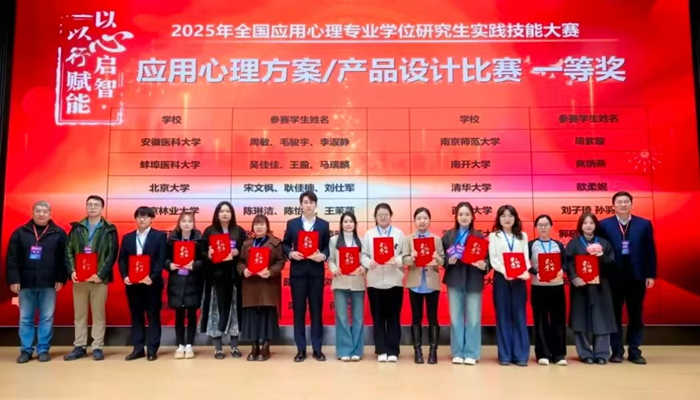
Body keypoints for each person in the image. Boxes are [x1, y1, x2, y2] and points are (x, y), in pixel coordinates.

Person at [598, 191, 657, 365]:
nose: (623, 205)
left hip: (637, 276)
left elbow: (650, 250)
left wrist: (650, 274)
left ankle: (634, 351)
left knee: (636, 314)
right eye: (619, 202)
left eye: (626, 201)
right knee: (614, 314)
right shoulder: (604, 225)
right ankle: (616, 351)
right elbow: (600, 251)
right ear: (613, 205)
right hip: (613, 276)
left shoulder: (644, 224)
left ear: (631, 204)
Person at [6, 201, 67, 364]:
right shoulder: (20, 232)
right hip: (25, 283)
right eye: (38, 211)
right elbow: (12, 258)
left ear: (50, 214)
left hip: (49, 283)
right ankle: (26, 350)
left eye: (44, 211)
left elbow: (63, 259)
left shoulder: (59, 233)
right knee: (25, 318)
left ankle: (43, 349)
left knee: (46, 318)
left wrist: (61, 278)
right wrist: (14, 279)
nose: (41, 214)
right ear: (32, 212)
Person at [64, 195, 119, 362]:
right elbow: (68, 250)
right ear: (86, 207)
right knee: (79, 314)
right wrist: (72, 271)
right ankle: (79, 346)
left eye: (96, 205)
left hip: (99, 280)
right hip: (80, 279)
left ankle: (97, 347)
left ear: (102, 208)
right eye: (89, 205)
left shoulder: (109, 229)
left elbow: (112, 254)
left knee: (98, 314)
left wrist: (100, 274)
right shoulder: (76, 228)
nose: (92, 207)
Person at [282, 191, 331, 362]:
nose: (308, 205)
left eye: (311, 202)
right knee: (299, 311)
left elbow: (327, 246)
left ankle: (317, 349)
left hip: (316, 272)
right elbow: (285, 244)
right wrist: (291, 254)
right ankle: (301, 349)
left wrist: (323, 255)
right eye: (305, 202)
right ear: (300, 204)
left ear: (315, 205)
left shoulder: (323, 225)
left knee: (317, 310)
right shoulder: (293, 224)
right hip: (298, 273)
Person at [565, 212, 617, 365]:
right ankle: (585, 353)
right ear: (580, 226)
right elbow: (568, 263)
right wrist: (575, 278)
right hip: (580, 287)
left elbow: (612, 265)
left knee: (602, 319)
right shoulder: (574, 243)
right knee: (580, 319)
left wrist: (602, 256)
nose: (588, 226)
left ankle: (601, 354)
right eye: (585, 223)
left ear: (596, 225)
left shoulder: (604, 243)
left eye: (591, 223)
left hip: (601, 286)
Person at [441, 201, 489, 365]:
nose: (464, 217)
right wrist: (448, 261)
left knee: (473, 319)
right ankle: (457, 352)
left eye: (467, 214)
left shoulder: (479, 236)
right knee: (455, 318)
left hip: (474, 280)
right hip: (454, 280)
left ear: (473, 217)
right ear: (456, 217)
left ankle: (472, 353)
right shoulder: (449, 236)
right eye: (460, 214)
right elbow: (441, 257)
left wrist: (484, 265)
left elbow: (487, 258)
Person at [117, 206, 166, 361]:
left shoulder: (159, 236)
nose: (142, 219)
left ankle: (152, 349)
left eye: (145, 216)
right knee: (136, 316)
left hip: (152, 284)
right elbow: (122, 260)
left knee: (153, 316)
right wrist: (125, 276)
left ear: (152, 219)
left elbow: (161, 259)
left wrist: (152, 276)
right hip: (133, 285)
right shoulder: (128, 237)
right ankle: (138, 349)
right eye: (139, 216)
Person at [200, 201, 247, 359]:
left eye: (228, 211)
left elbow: (247, 252)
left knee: (234, 310)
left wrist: (238, 252)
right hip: (215, 278)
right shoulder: (209, 231)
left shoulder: (239, 231)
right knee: (215, 311)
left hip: (234, 278)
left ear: (232, 214)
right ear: (217, 214)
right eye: (222, 211)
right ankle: (218, 348)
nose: (225, 214)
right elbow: (201, 253)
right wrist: (209, 254)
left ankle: (234, 346)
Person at [361, 203, 407, 363]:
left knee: (394, 317)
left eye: (386, 214)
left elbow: (405, 254)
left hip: (395, 281)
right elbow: (363, 255)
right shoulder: (369, 234)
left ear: (391, 215)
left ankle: (393, 350)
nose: (383, 217)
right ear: (375, 217)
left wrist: (398, 260)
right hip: (375, 282)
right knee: (378, 317)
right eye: (379, 214)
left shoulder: (399, 234)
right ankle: (381, 349)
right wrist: (369, 263)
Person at [238, 214, 285, 362]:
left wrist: (270, 271)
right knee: (251, 316)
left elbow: (280, 261)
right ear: (252, 227)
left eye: (262, 224)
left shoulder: (275, 243)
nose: (259, 227)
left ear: (267, 227)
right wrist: (243, 270)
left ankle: (266, 346)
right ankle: (254, 346)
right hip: (250, 285)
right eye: (256, 224)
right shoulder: (247, 244)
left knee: (267, 315)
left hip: (268, 285)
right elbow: (240, 262)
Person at [488, 205, 531, 367]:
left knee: (520, 316)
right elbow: (494, 259)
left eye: (510, 215)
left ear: (515, 218)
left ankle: (521, 355)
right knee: (503, 316)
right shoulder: (494, 236)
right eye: (503, 216)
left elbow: (525, 258)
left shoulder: (522, 236)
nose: (507, 219)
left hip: (519, 279)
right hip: (502, 278)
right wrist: (505, 271)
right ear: (499, 219)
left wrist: (525, 271)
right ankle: (505, 355)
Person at [402, 207, 444, 364]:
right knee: (416, 317)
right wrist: (411, 258)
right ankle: (417, 351)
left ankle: (433, 351)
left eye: (425, 218)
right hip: (415, 283)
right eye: (419, 218)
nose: (422, 221)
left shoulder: (436, 239)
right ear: (414, 221)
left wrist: (437, 260)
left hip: (431, 283)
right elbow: (404, 259)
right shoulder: (409, 239)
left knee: (433, 317)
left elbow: (443, 260)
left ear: (429, 220)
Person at [528, 215, 567, 366]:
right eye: (540, 225)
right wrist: (535, 272)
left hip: (557, 287)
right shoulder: (531, 245)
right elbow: (525, 263)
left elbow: (565, 263)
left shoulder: (558, 245)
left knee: (558, 320)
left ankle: (559, 354)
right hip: (539, 287)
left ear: (551, 226)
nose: (543, 227)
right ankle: (542, 354)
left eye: (546, 224)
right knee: (540, 320)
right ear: (536, 227)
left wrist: (562, 270)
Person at [165, 211, 204, 359]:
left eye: (190, 221)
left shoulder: (199, 240)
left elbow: (204, 260)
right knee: (179, 315)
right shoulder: (171, 240)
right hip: (177, 282)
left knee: (192, 315)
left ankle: (189, 345)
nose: (187, 224)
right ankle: (180, 345)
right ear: (179, 223)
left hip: (193, 281)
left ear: (193, 224)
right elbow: (164, 259)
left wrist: (195, 265)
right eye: (184, 221)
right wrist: (169, 265)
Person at [327, 212, 366, 362]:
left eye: (351, 221)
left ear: (355, 224)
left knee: (358, 318)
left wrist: (363, 267)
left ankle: (356, 350)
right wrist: (334, 269)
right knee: (342, 317)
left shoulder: (361, 241)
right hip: (340, 281)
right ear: (341, 224)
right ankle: (344, 350)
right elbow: (330, 259)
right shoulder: (334, 240)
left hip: (357, 282)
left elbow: (366, 259)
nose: (348, 224)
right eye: (345, 221)